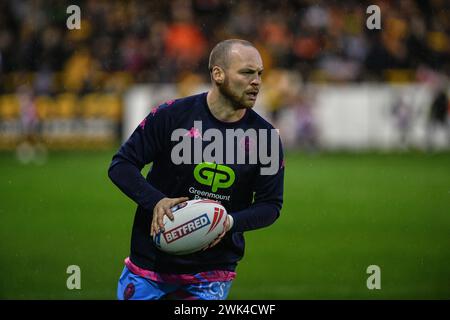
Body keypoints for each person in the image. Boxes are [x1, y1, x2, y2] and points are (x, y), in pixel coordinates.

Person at [108, 39, 285, 300]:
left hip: (212, 273)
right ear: (218, 74)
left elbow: (271, 205)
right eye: (247, 72)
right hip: (150, 265)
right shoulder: (171, 115)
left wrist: (229, 222)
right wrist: (157, 201)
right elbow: (121, 165)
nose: (256, 81)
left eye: (259, 73)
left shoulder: (266, 138)